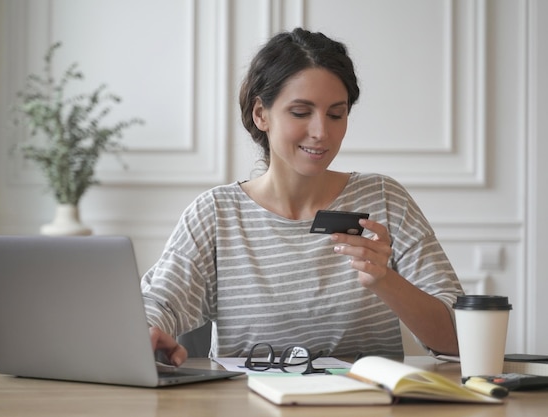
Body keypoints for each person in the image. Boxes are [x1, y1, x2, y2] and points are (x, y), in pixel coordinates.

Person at [141, 27, 464, 367]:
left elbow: (458, 339)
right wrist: (147, 332)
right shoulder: (216, 214)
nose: (321, 132)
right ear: (261, 114)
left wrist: (386, 281)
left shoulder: (384, 198)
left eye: (336, 114)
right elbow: (159, 304)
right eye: (300, 112)